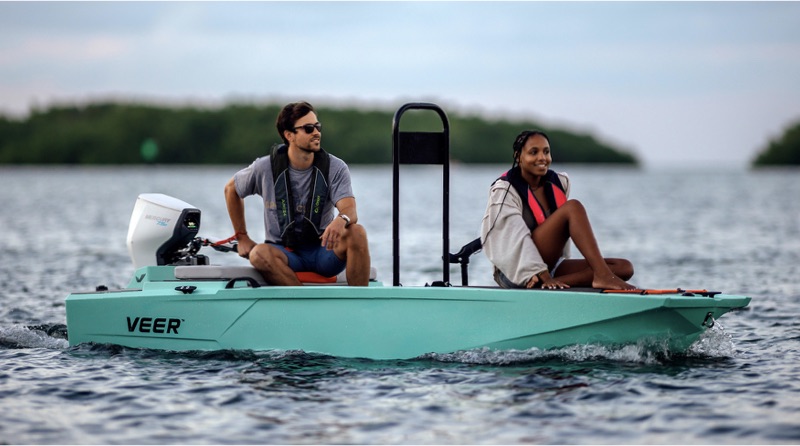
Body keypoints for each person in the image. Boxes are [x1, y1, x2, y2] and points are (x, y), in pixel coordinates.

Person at [224, 101, 371, 286]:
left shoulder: (336, 167)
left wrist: (341, 219)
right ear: (289, 135)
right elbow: (231, 190)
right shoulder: (264, 167)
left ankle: (360, 305)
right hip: (285, 254)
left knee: (357, 232)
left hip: (323, 252)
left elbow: (350, 211)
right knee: (258, 253)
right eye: (308, 128)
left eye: (318, 126)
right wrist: (242, 237)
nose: (317, 132)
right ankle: (301, 301)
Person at [481, 130, 637, 291]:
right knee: (573, 207)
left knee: (623, 267)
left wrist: (548, 275)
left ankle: (563, 281)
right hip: (515, 271)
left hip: (548, 267)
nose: (542, 158)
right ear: (518, 157)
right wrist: (541, 273)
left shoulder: (559, 183)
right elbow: (515, 238)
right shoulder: (504, 191)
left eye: (546, 152)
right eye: (533, 152)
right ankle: (600, 276)